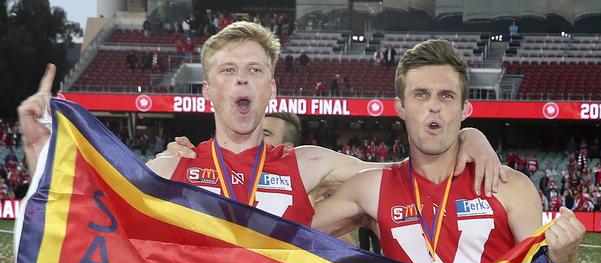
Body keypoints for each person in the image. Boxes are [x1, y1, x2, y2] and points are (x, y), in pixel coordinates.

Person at [19, 21, 503, 232]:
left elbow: (407, 173)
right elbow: (86, 207)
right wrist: (37, 148)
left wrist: (468, 134)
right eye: (228, 72)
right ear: (208, 91)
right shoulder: (173, 164)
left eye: (253, 71)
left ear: (271, 88)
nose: (241, 81)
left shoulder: (308, 164)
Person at [311, 39, 583, 263]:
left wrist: (566, 262)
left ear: (465, 109)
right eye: (421, 95)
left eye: (447, 96)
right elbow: (282, 241)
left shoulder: (509, 186)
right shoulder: (372, 189)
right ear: (400, 106)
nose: (434, 106)